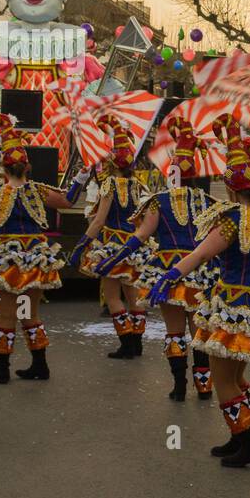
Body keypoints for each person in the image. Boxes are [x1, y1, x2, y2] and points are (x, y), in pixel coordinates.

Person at [147, 113, 250, 468]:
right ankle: (240, 439)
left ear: (233, 189)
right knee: (237, 376)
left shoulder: (232, 220)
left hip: (233, 303)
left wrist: (169, 276)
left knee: (224, 380)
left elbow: (200, 253)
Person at [96, 116, 219, 401]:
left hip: (168, 272)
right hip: (201, 271)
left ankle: (178, 386)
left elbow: (139, 236)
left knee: (174, 331)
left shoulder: (158, 201)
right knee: (199, 331)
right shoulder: (208, 203)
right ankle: (204, 387)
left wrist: (116, 257)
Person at [0, 114, 87, 382]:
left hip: (8, 261)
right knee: (29, 311)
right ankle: (40, 364)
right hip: (35, 259)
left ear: (4, 168)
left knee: (6, 313)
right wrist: (82, 177)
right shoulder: (37, 190)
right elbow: (66, 200)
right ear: (28, 167)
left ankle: (2, 369)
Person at [70, 116, 149, 360]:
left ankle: (126, 343)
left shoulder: (109, 185)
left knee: (113, 296)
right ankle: (137, 343)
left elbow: (99, 220)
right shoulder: (138, 185)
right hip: (134, 244)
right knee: (134, 296)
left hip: (111, 246)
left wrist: (81, 245)